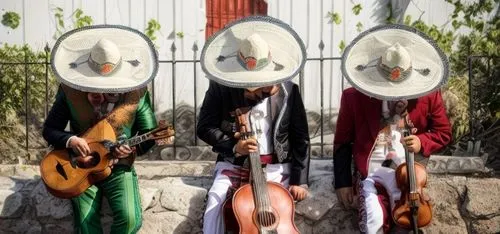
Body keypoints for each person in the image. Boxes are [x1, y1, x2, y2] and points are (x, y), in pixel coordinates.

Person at [43, 25, 165, 234]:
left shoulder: (136, 94)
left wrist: (131, 149)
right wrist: (71, 141)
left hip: (119, 168)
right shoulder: (70, 92)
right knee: (85, 224)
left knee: (130, 220)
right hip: (78, 167)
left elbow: (149, 135)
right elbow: (50, 130)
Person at [333, 25, 452, 233]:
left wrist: (421, 142)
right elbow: (342, 142)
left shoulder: (429, 95)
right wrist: (342, 182)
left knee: (405, 224)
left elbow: (443, 133)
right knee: (373, 221)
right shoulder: (353, 97)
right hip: (369, 171)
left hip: (408, 175)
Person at [197, 16, 310, 233]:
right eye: (255, 88)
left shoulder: (289, 91)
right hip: (235, 165)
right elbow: (204, 127)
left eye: (266, 86)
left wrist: (300, 180)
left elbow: (301, 137)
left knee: (278, 212)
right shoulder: (221, 88)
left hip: (279, 167)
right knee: (214, 203)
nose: (262, 92)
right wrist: (233, 146)